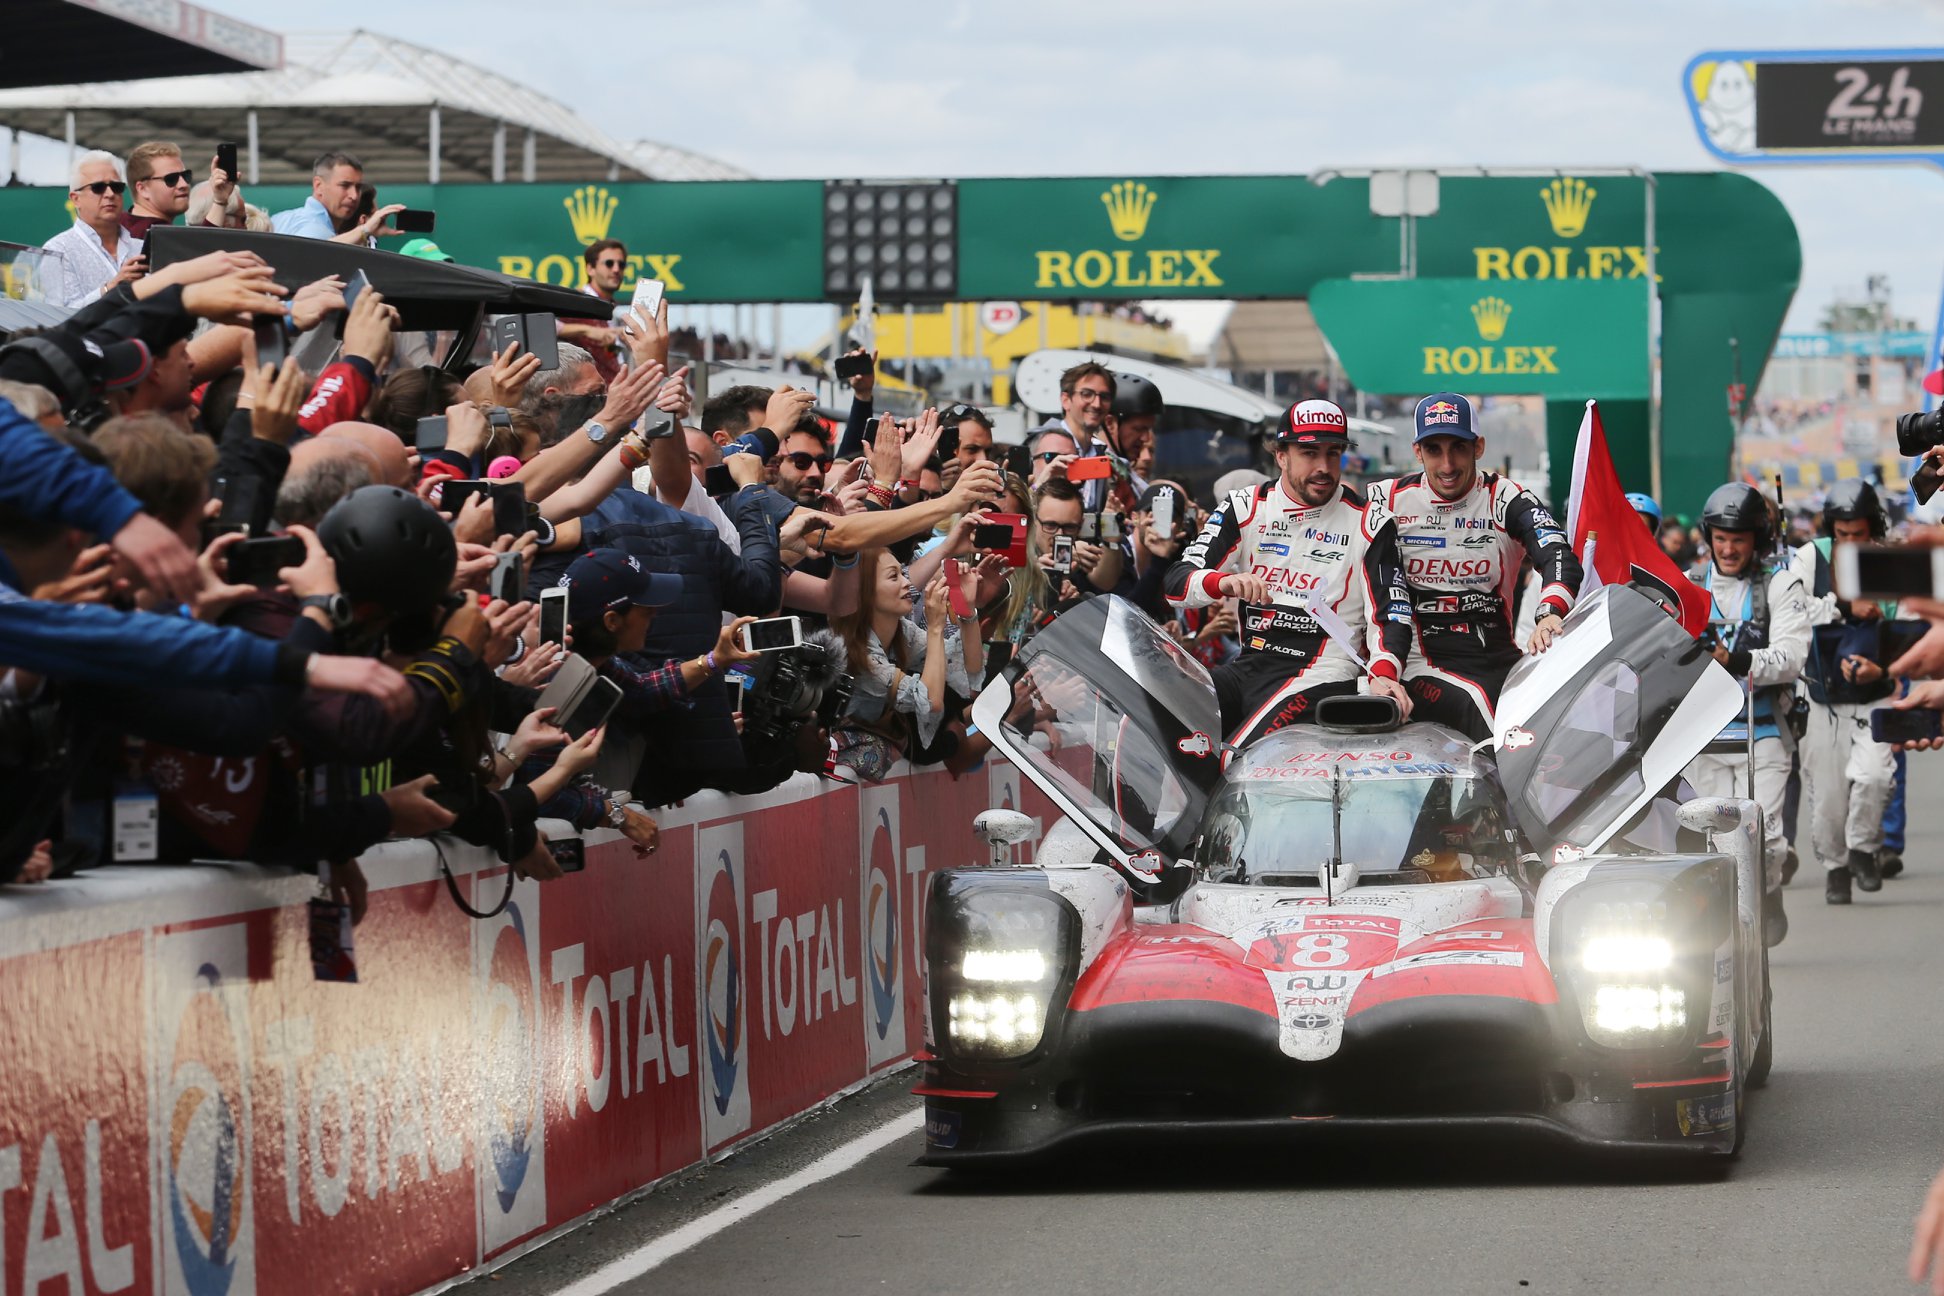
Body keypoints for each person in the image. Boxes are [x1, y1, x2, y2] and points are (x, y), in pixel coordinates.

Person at [1164, 398, 1414, 745]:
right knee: (1166, 713)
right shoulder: (1244, 507)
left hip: (1324, 673)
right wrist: (1224, 581)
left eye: (1333, 453)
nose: (1324, 467)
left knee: (1241, 751)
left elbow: (1391, 616)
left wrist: (1385, 674)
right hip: (1250, 662)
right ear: (1281, 455)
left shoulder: (1370, 521)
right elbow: (1177, 583)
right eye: (1309, 453)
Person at [1365, 392, 1581, 741]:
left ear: (1478, 447)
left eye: (1459, 448)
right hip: (1419, 658)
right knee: (1482, 713)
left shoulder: (1505, 497)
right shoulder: (1385, 499)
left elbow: (1557, 552)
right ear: (1417, 451)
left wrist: (1550, 611)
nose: (1448, 465)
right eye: (1434, 449)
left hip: (1495, 657)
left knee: (1555, 722)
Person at [1681, 481, 1809, 944]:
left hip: (1766, 730)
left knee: (1767, 844)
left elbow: (1793, 656)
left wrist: (1734, 661)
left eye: (1738, 538)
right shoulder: (1687, 585)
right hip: (1704, 738)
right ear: (1708, 536)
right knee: (1719, 845)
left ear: (1757, 538)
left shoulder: (1781, 582)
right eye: (1720, 537)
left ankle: (1769, 889)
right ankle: (1735, 935)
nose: (1729, 548)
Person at [1789, 479, 1897, 904]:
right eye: (1842, 534)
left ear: (1874, 529)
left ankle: (1863, 848)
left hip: (1876, 692)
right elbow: (1793, 612)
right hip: (1821, 694)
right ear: (1831, 529)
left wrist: (1884, 667)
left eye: (1859, 534)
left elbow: (1908, 624)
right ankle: (1836, 867)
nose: (1850, 542)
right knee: (1828, 796)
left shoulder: (1889, 561)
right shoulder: (1808, 556)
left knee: (1874, 777)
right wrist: (1844, 606)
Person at [44, 151, 143, 309]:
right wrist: (110, 288)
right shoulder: (57, 250)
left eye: (116, 187)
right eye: (98, 188)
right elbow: (60, 316)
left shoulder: (141, 248)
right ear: (76, 199)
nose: (110, 194)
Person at [272, 152, 400, 243]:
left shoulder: (280, 218)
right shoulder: (315, 229)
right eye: (345, 185)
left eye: (358, 187)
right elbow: (312, 253)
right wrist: (365, 229)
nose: (354, 196)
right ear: (318, 185)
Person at [120, 142, 192, 243]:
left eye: (185, 175)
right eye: (171, 179)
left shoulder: (116, 228)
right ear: (143, 189)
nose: (183, 184)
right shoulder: (162, 236)